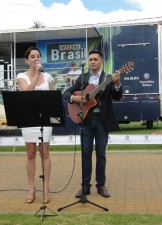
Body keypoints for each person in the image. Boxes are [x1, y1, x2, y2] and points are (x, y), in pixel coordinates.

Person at [63, 49, 122, 198]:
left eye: (95, 59)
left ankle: (101, 185)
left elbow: (117, 96)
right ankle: (85, 187)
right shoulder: (83, 78)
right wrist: (75, 99)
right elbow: (66, 93)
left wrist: (117, 83)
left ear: (101, 61)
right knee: (86, 154)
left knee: (101, 154)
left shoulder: (108, 78)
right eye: (90, 59)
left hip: (102, 121)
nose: (92, 62)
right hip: (85, 120)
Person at [17, 46, 54, 204]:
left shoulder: (48, 77)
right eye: (32, 57)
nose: (36, 59)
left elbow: (53, 98)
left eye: (38, 56)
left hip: (44, 118)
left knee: (44, 152)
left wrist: (45, 79)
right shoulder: (21, 76)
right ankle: (31, 188)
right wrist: (37, 74)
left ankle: (46, 188)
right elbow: (26, 92)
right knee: (30, 152)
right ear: (27, 60)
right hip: (28, 118)